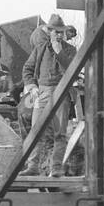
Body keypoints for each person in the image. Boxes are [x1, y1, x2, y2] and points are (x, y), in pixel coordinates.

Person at [21, 16, 77, 177]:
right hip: (42, 93)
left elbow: (72, 70)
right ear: (49, 31)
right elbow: (27, 69)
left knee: (59, 133)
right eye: (55, 32)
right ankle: (33, 167)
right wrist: (32, 87)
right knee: (35, 130)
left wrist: (59, 51)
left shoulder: (70, 50)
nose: (59, 35)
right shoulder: (40, 48)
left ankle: (57, 168)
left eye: (61, 32)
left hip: (62, 92)